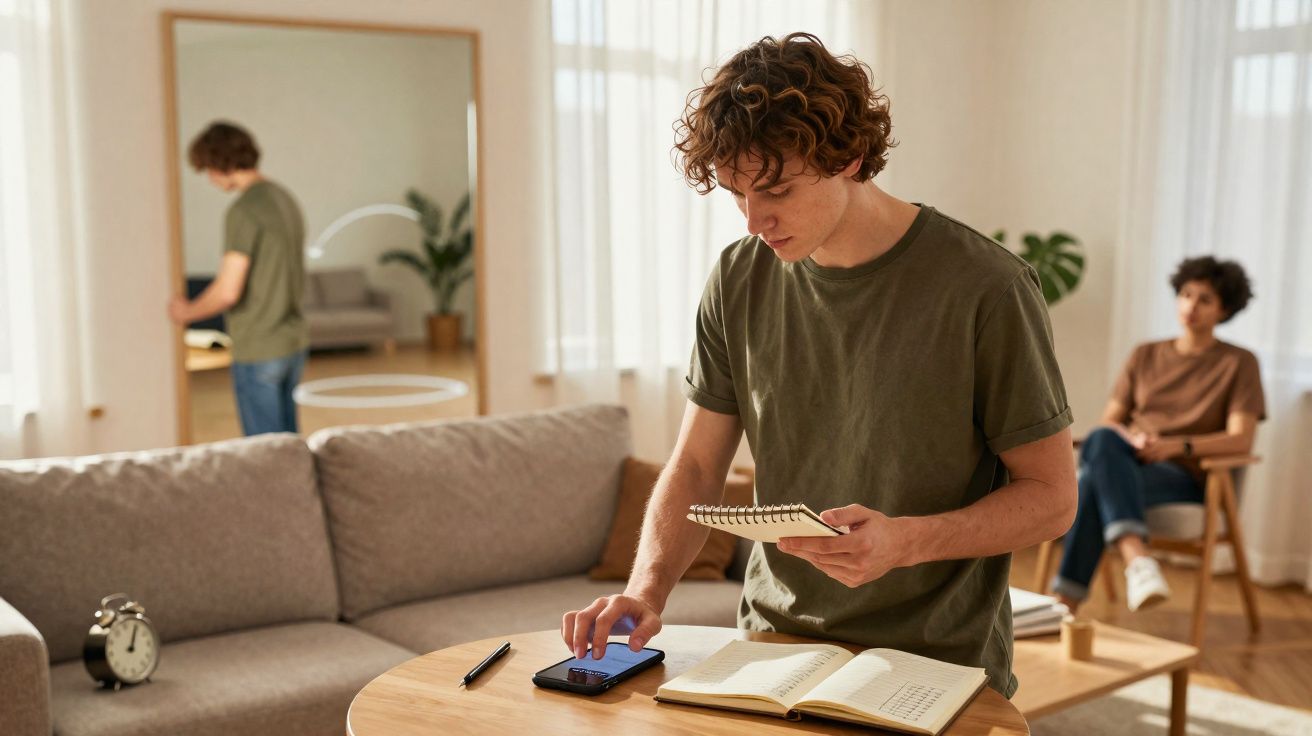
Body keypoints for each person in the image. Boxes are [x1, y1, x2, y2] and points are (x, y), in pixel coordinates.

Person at [561, 33, 1077, 697]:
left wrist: (903, 542)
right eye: (736, 194)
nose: (754, 221)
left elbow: (1053, 499)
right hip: (773, 649)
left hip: (936, 662)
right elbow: (695, 466)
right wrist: (645, 591)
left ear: (850, 157)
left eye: (776, 189)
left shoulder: (987, 287)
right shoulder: (739, 277)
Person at [1052, 256, 1265, 613]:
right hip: (1128, 459)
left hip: (1186, 476)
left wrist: (1174, 447)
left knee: (1090, 481)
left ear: (1224, 309)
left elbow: (1241, 439)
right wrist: (1134, 439)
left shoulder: (1239, 363)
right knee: (1103, 438)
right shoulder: (1145, 354)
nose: (1191, 306)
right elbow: (1110, 422)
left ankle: (1064, 604)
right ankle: (1139, 562)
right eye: (1186, 294)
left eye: (1204, 300)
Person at [168, 121, 308, 436]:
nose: (209, 177)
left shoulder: (244, 210)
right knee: (288, 443)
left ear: (221, 163)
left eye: (207, 168)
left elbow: (228, 291)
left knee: (264, 452)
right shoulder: (285, 199)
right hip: (293, 341)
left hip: (259, 345)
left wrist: (185, 313)